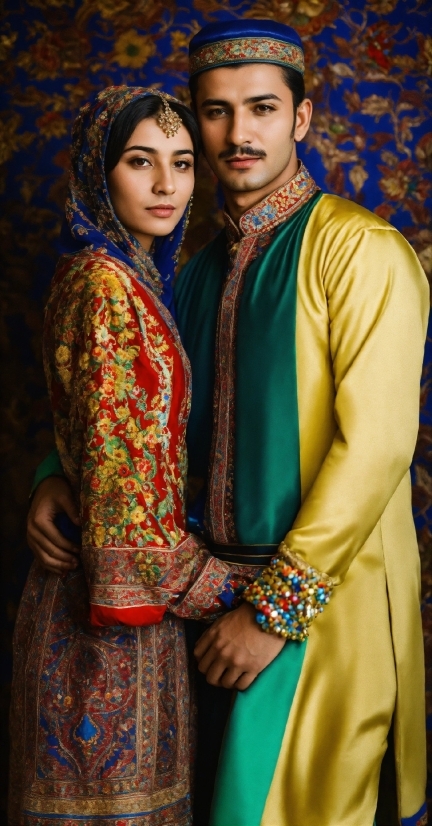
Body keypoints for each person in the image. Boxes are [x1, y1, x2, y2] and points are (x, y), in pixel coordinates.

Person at [25, 19, 429, 826]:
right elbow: (133, 406)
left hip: (319, 607)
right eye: (215, 112)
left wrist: (272, 615)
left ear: (302, 119)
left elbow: (377, 448)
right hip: (201, 614)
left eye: (263, 109)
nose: (238, 134)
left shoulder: (360, 251)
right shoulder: (190, 266)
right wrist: (53, 476)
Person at [8, 85, 257, 826]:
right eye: (139, 162)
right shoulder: (106, 286)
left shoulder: (139, 278)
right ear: (98, 171)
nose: (166, 185)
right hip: (108, 614)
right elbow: (120, 481)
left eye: (182, 163)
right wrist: (248, 588)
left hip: (116, 602)